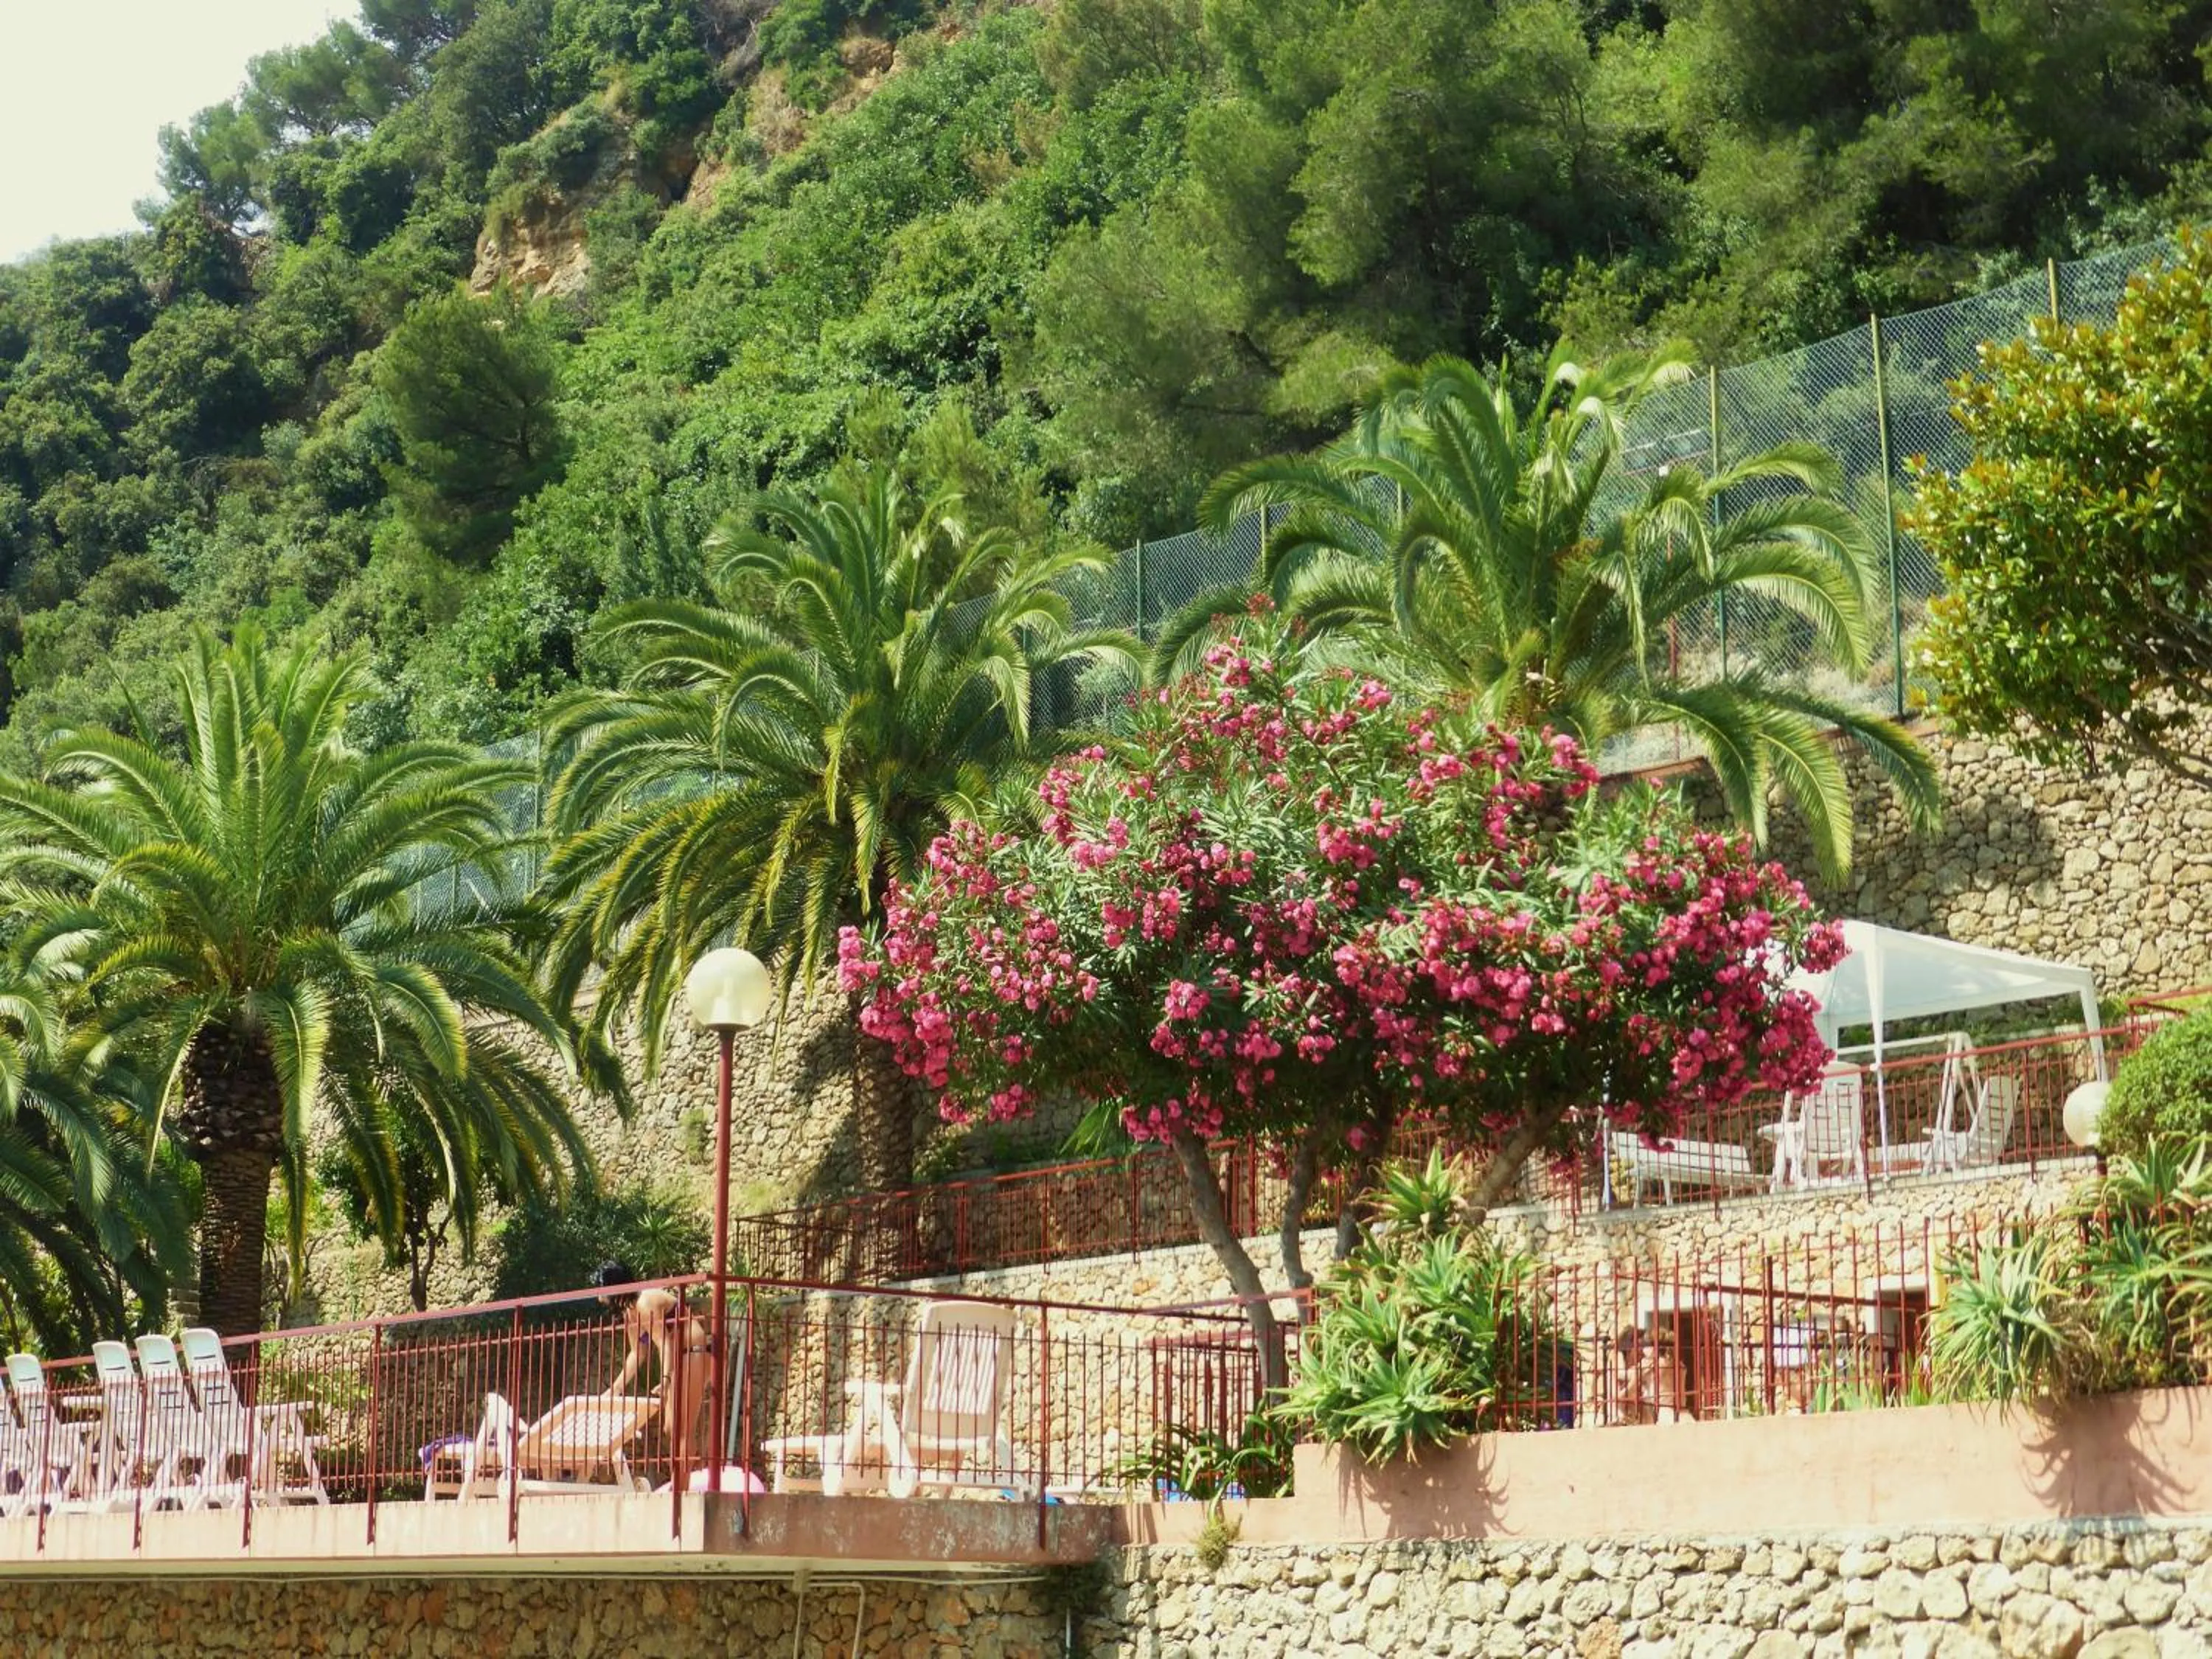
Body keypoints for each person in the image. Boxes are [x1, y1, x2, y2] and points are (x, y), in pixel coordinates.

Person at [597, 1261, 714, 1478]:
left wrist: (666, 1379)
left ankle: (683, 1493)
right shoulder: (630, 1312)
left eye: (601, 1290)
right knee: (671, 1429)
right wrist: (615, 1388)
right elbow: (637, 1353)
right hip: (679, 1357)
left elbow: (664, 1343)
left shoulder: (645, 1302)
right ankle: (691, 1484)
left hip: (693, 1351)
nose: (599, 1297)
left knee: (681, 1429)